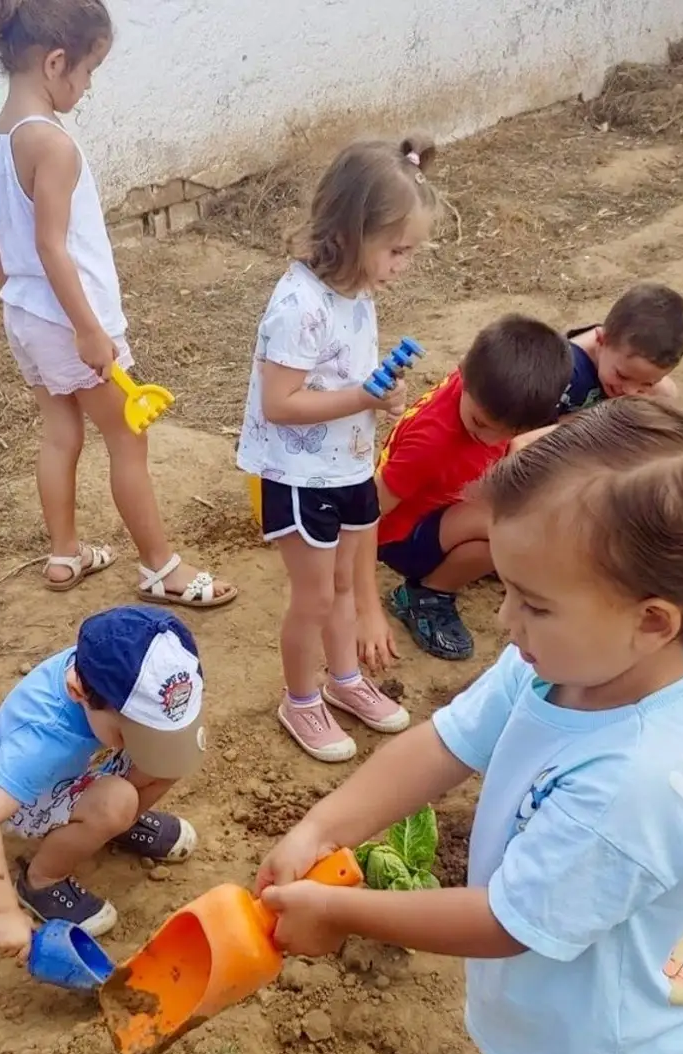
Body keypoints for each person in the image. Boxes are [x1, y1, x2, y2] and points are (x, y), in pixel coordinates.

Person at [257, 398, 683, 1054]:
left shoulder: (634, 782)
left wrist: (342, 910)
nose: (504, 618)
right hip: (557, 1016)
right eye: (508, 587)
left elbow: (505, 921)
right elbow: (445, 742)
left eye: (536, 603)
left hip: (609, 1049)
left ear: (653, 622)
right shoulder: (567, 661)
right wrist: (323, 827)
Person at [0, 0, 235, 608]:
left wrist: (18, 300)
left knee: (60, 430)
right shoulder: (54, 147)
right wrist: (88, 330)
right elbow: (51, 246)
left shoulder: (0, 133)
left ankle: (65, 553)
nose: (88, 86)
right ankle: (161, 567)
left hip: (27, 318)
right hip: (74, 324)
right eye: (88, 72)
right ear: (56, 62)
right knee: (127, 438)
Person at [235, 137, 437, 762]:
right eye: (396, 249)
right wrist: (361, 399)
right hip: (297, 474)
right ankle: (300, 699)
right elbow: (282, 402)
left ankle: (346, 681)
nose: (403, 263)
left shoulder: (358, 293)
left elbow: (350, 376)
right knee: (316, 596)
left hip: (346, 464)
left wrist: (387, 394)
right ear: (352, 232)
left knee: (348, 583)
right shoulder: (297, 306)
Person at [0, 606, 208, 946]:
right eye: (132, 733)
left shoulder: (108, 671)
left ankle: (113, 824)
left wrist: (144, 745)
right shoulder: (42, 740)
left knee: (171, 757)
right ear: (78, 692)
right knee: (117, 801)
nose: (140, 744)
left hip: (85, 768)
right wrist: (1, 912)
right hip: (36, 794)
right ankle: (42, 878)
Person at [359, 314, 572, 664]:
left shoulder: (485, 384)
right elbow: (370, 512)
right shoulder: (431, 442)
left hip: (446, 505)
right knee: (506, 528)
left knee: (523, 512)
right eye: (480, 424)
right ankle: (424, 596)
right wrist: (360, 599)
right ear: (464, 373)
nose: (487, 439)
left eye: (504, 432)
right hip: (399, 536)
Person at [561, 282, 683, 410]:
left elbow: (669, 393)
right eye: (622, 376)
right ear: (601, 340)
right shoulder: (563, 373)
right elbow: (542, 430)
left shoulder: (620, 354)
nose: (630, 392)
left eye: (647, 383)